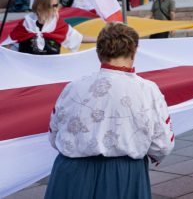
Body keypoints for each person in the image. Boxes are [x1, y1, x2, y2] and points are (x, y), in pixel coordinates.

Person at [45, 22, 174, 198]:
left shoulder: (73, 87)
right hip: (121, 175)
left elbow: (54, 134)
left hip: (70, 174)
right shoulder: (147, 90)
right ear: (134, 51)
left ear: (99, 53)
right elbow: (162, 145)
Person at [9, 0, 90, 54]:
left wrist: (99, 40)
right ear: (41, 6)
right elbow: (12, 43)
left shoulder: (58, 24)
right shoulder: (26, 23)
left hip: (50, 69)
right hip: (27, 68)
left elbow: (78, 37)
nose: (56, 9)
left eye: (57, 5)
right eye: (53, 6)